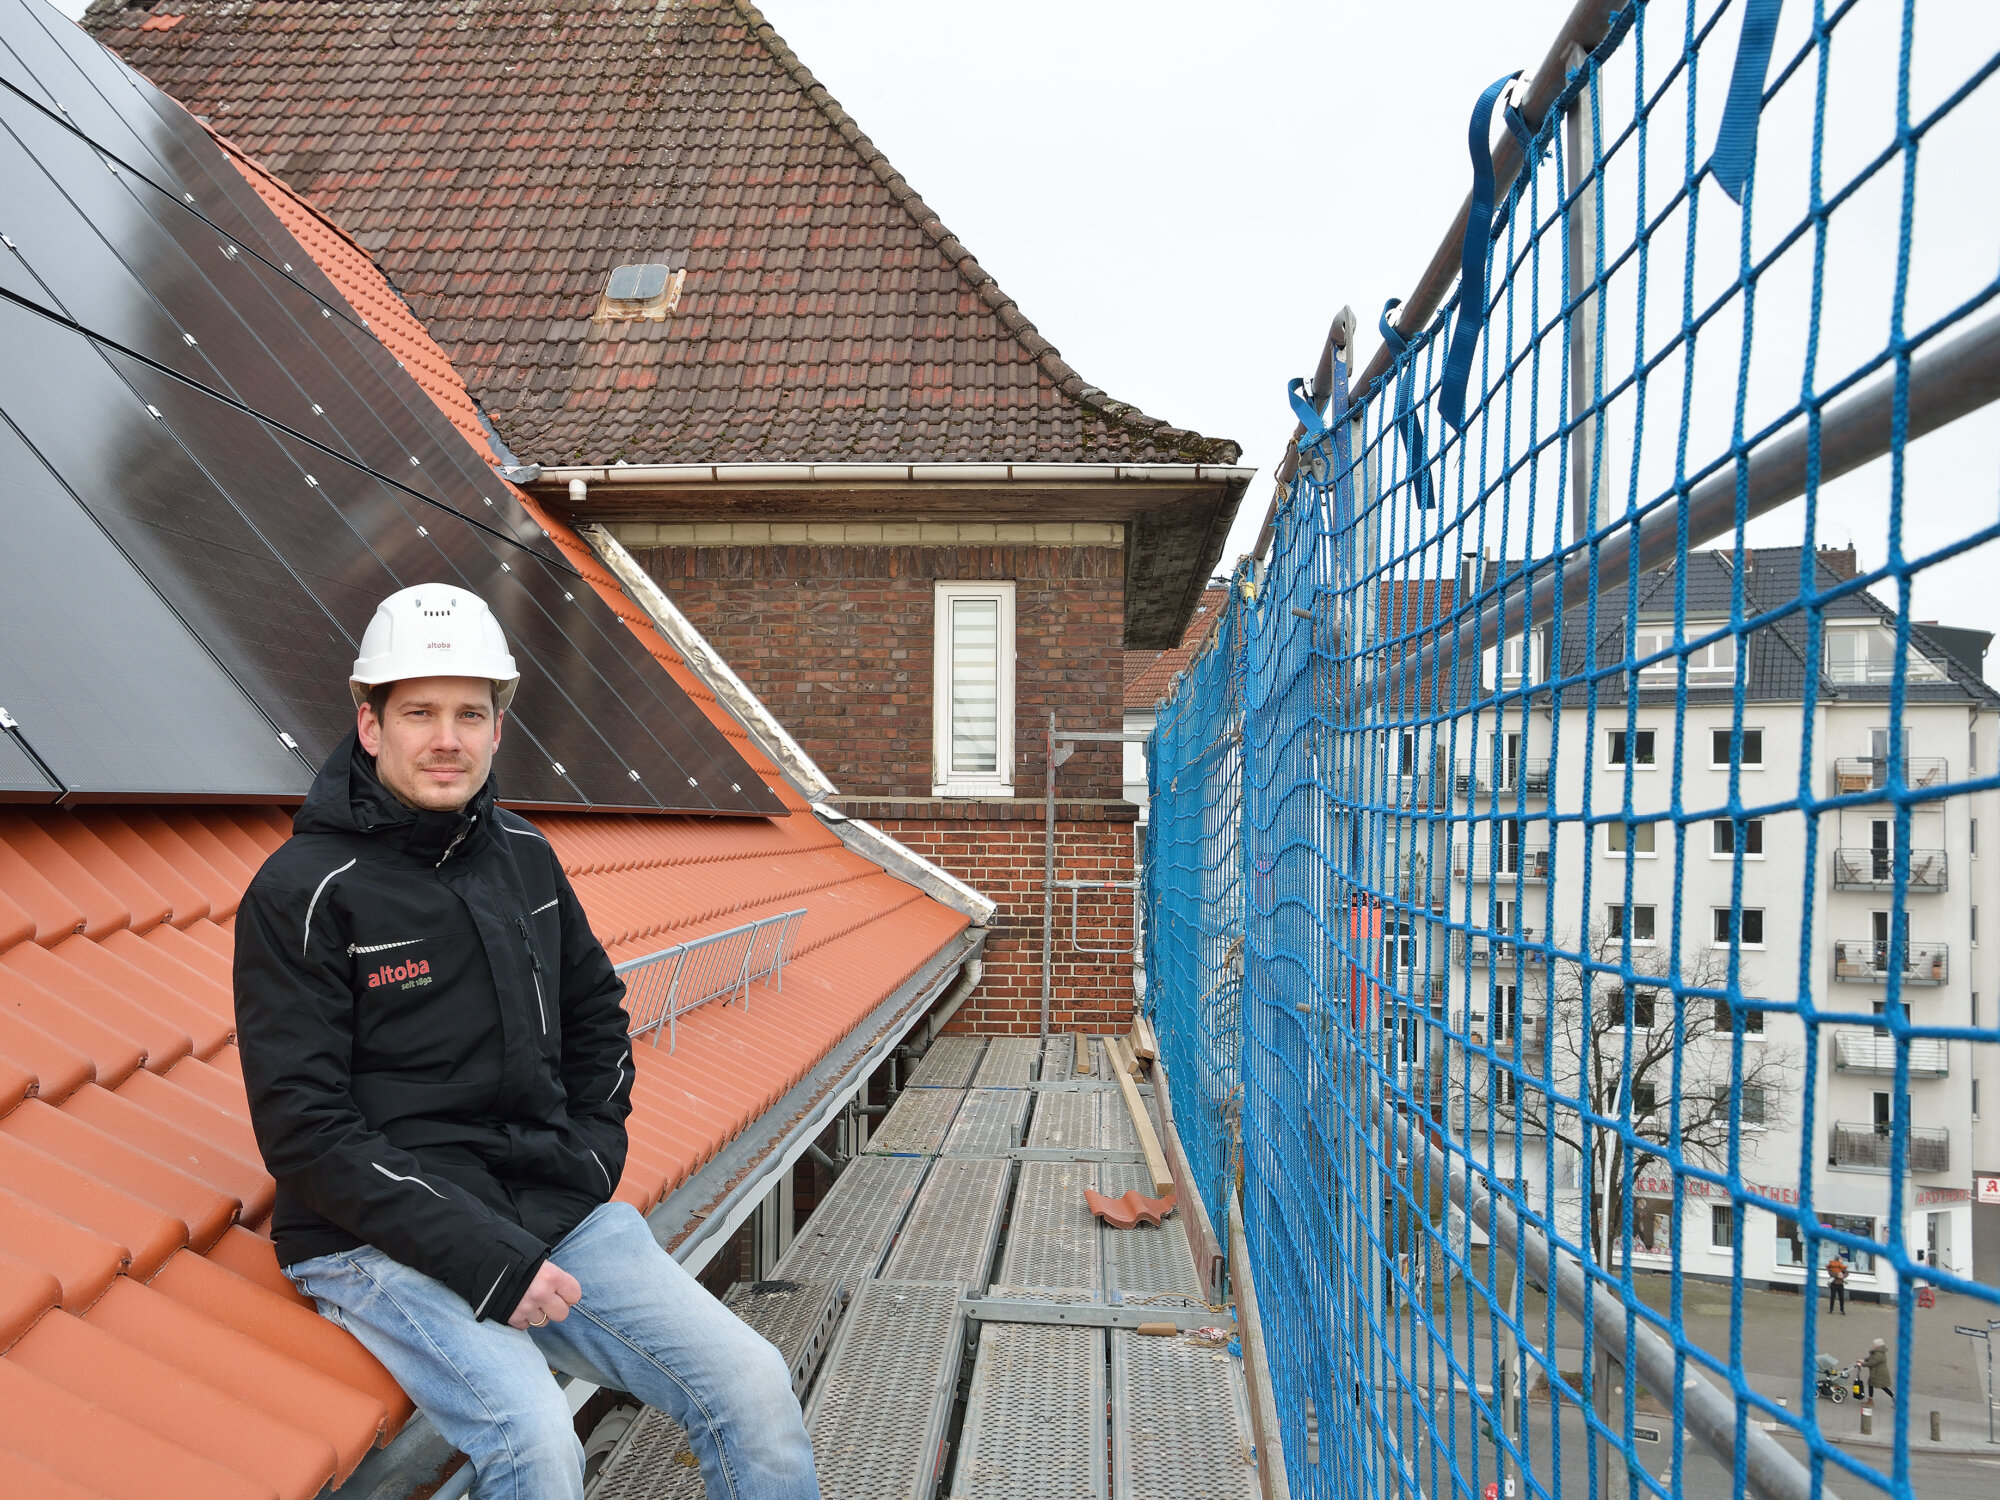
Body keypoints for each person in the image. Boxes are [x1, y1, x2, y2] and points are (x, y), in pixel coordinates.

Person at [234, 586, 819, 1500]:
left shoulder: (523, 853)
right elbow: (306, 1132)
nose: (447, 739)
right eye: (419, 713)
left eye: (471, 714)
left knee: (752, 1383)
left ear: (499, 727)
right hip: (373, 1238)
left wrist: (589, 1157)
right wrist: (488, 1262)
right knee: (537, 1442)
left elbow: (597, 1014)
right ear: (369, 725)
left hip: (545, 1205)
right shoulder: (304, 892)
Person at [1862, 1338, 1895, 1403]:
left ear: (1877, 1345)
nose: (1873, 1345)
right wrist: (1864, 1360)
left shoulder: (1878, 1354)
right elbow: (1871, 1357)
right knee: (1873, 1385)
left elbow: (1871, 1363)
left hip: (1879, 1374)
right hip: (1877, 1372)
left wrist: (1862, 1364)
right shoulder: (1878, 1351)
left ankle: (1870, 1401)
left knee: (1882, 1387)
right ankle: (1870, 1400)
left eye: (1874, 1344)